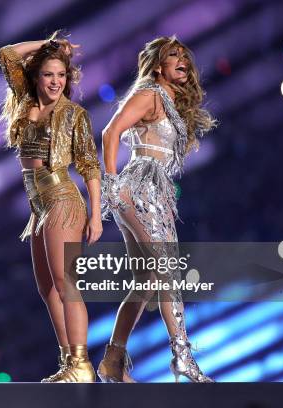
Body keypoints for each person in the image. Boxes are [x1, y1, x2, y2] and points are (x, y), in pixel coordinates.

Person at [99, 36, 217, 383]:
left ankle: (113, 359)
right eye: (173, 56)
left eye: (184, 56)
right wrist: (110, 186)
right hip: (140, 187)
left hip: (155, 191)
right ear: (157, 66)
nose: (182, 60)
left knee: (149, 279)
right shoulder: (149, 94)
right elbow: (110, 133)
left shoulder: (167, 100)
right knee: (167, 271)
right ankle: (182, 357)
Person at [0, 31, 102, 382]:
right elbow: (7, 54)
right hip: (38, 205)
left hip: (61, 198)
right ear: (36, 77)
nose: (56, 81)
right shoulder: (26, 101)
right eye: (49, 74)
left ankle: (83, 364)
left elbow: (89, 164)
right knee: (46, 288)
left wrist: (97, 214)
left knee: (65, 282)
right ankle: (68, 364)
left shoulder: (74, 114)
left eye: (61, 75)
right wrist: (46, 45)